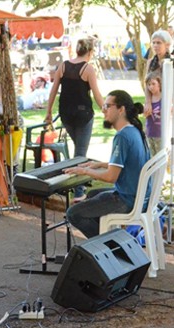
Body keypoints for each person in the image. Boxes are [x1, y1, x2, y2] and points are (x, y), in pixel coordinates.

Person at [64, 90, 150, 238]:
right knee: (92, 194)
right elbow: (129, 163)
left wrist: (84, 171)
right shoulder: (134, 130)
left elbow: (111, 177)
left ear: (121, 109)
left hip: (128, 200)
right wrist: (99, 165)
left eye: (108, 106)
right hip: (139, 197)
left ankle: (110, 245)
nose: (103, 110)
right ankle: (106, 236)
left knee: (73, 214)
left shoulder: (122, 136)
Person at [45, 37, 104, 203]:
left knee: (77, 149)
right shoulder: (88, 69)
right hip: (83, 115)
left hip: (66, 114)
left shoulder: (63, 66)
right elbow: (97, 95)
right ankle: (79, 192)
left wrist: (48, 112)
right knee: (80, 154)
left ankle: (79, 185)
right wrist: (107, 111)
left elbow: (53, 90)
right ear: (90, 52)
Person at [144, 30, 172, 117]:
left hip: (169, 103)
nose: (155, 45)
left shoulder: (171, 63)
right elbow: (147, 84)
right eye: (154, 43)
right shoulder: (150, 62)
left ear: (167, 45)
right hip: (154, 103)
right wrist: (148, 102)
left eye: (159, 43)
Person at [143, 72, 163, 156]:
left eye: (153, 84)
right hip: (150, 132)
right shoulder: (148, 100)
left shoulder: (164, 97)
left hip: (160, 134)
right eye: (149, 84)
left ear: (159, 84)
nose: (151, 87)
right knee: (152, 157)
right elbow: (145, 116)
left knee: (160, 157)